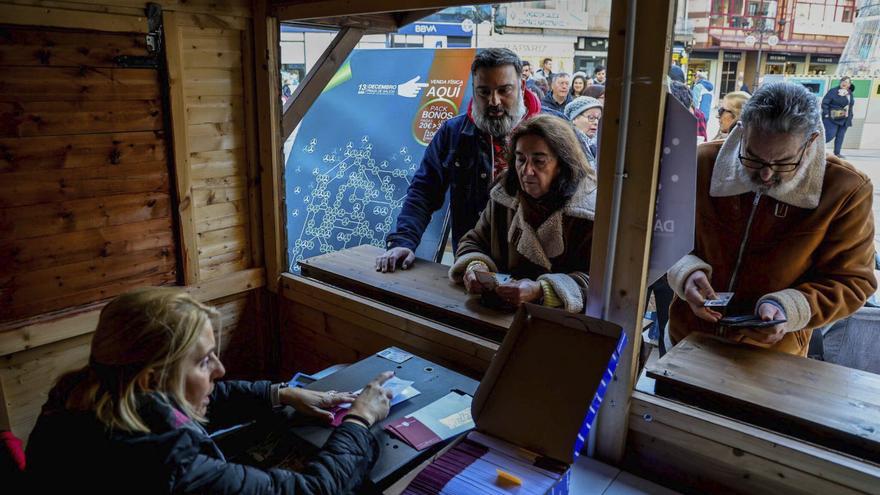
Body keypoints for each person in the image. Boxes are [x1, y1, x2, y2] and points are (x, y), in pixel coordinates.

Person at [26, 287, 394, 493]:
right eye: (204, 362)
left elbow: (193, 400)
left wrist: (280, 393)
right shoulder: (169, 470)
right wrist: (360, 419)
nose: (221, 369)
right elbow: (315, 491)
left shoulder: (86, 395)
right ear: (151, 380)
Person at [666, 82, 876, 357]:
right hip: (687, 338)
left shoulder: (846, 189)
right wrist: (685, 272)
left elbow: (853, 281)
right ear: (741, 130)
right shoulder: (700, 163)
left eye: (783, 163)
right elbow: (661, 237)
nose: (766, 175)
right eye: (752, 158)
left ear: (811, 141)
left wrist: (789, 308)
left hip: (774, 357)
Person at [375, 48, 542, 272]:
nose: (494, 101)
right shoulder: (453, 133)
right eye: (484, 92)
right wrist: (404, 241)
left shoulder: (552, 133)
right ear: (473, 89)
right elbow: (424, 190)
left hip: (534, 270)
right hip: (471, 262)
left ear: (521, 86)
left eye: (504, 90)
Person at [449, 115, 597, 313]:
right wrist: (476, 266)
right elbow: (474, 241)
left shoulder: (586, 213)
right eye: (521, 159)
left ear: (562, 164)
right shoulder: (504, 197)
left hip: (561, 327)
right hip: (496, 316)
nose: (527, 171)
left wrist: (542, 290)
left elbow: (598, 282)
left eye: (539, 161)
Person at [564, 97, 602, 170]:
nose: (596, 122)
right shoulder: (568, 144)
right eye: (591, 118)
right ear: (574, 119)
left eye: (598, 118)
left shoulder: (597, 143)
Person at [822, 76, 855, 158]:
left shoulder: (850, 93)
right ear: (840, 82)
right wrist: (827, 114)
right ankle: (814, 147)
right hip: (832, 117)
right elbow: (825, 103)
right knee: (829, 135)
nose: (844, 83)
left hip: (845, 118)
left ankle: (837, 153)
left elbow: (850, 105)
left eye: (847, 82)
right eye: (843, 81)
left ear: (849, 85)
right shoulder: (833, 91)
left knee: (840, 136)